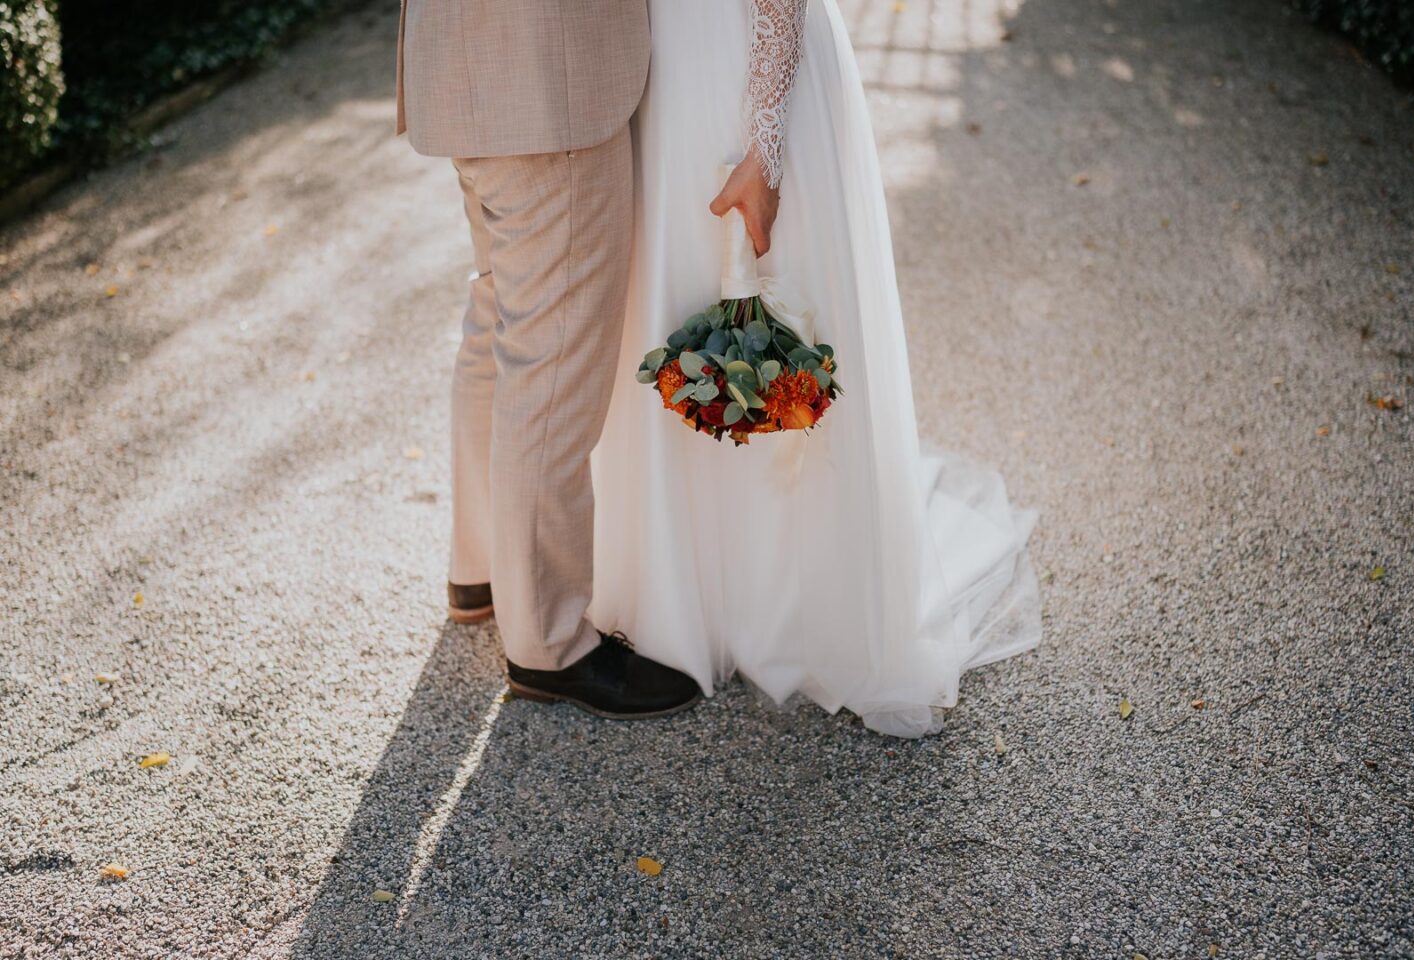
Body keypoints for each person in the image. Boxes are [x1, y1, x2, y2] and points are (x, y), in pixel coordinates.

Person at [586, 0, 1042, 737]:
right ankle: (676, 597)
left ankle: (782, 603)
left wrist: (764, 142)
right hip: (659, 75)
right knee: (674, 308)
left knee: (770, 312)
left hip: (749, 76)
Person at [395, 0, 702, 718]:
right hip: (546, 76)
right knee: (553, 361)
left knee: (501, 316)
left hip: (473, 65)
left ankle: (482, 572)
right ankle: (549, 644)